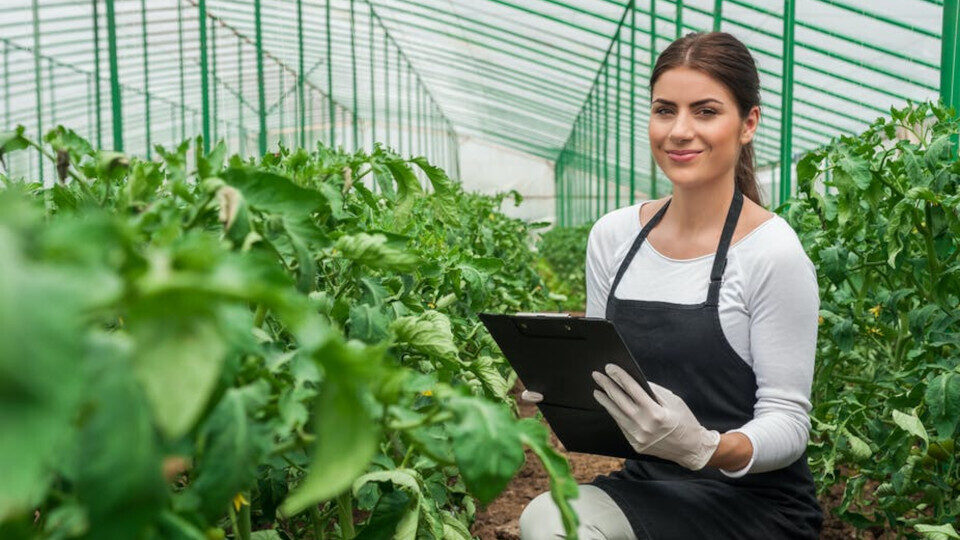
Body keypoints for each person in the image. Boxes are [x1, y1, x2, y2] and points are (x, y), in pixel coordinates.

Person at [518, 31, 823, 539]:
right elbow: (608, 385)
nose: (680, 131)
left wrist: (704, 446)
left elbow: (789, 423)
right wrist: (565, 391)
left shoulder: (772, 253)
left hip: (755, 507)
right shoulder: (614, 236)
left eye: (705, 111)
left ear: (748, 124)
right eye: (665, 110)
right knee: (549, 521)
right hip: (650, 485)